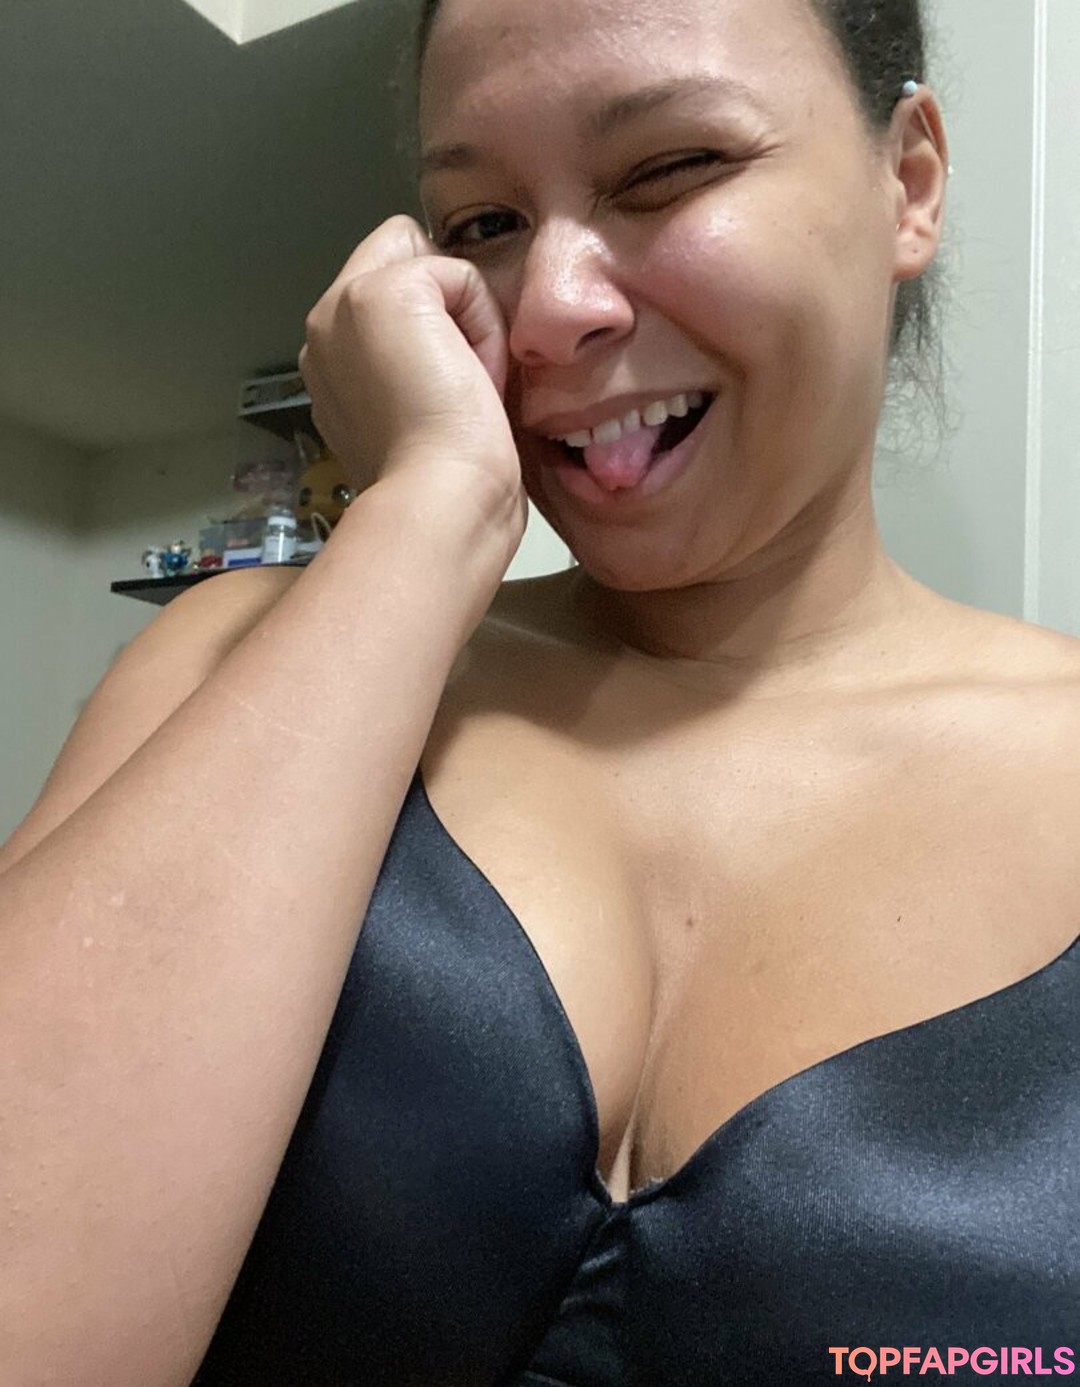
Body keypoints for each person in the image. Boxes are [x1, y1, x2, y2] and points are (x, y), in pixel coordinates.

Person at [3, 0, 1079, 1381]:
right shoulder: (238, 654)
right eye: (484, 224)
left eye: (670, 168)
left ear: (909, 181)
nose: (552, 310)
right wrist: (431, 507)